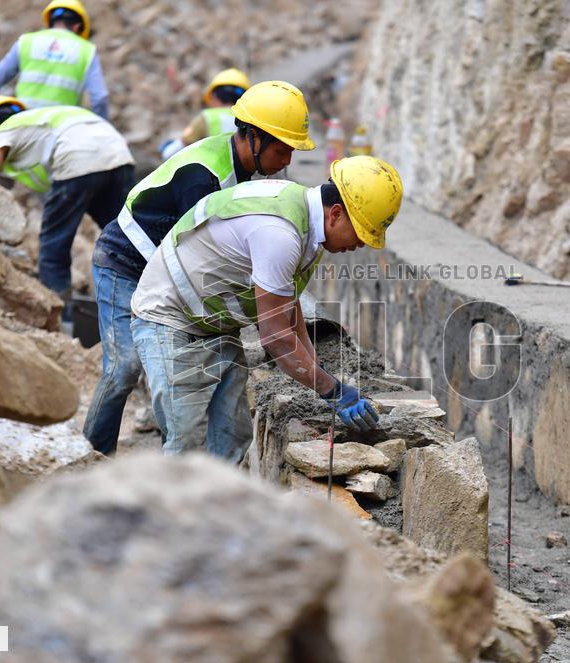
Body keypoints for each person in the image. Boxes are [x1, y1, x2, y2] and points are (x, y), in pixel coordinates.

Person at [83, 80, 314, 456]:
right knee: (124, 366)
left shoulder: (241, 171)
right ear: (253, 136)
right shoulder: (204, 178)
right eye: (281, 149)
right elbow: (199, 262)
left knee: (198, 374)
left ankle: (193, 462)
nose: (286, 160)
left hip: (167, 275)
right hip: (125, 263)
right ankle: (92, 454)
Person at [129, 155, 403, 460]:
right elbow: (275, 337)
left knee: (232, 435)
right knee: (186, 439)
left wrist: (315, 369)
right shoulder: (281, 234)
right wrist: (332, 390)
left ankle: (221, 492)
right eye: (361, 233)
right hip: (169, 317)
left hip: (212, 319)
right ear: (336, 213)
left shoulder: (305, 223)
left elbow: (288, 307)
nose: (362, 244)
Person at [0, 95, 134, 325]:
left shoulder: (1, 132)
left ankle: (60, 322)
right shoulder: (40, 120)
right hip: (119, 154)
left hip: (78, 159)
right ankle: (140, 312)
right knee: (128, 239)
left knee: (53, 247)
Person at [0, 0, 109, 139]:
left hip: (23, 125)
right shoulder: (87, 51)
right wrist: (101, 132)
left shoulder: (27, 42)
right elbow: (99, 97)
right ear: (78, 27)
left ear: (50, 21)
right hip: (60, 131)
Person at [159, 67, 250, 160]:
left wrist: (166, 148)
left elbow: (170, 153)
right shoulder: (249, 119)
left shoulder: (207, 118)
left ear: (214, 97)